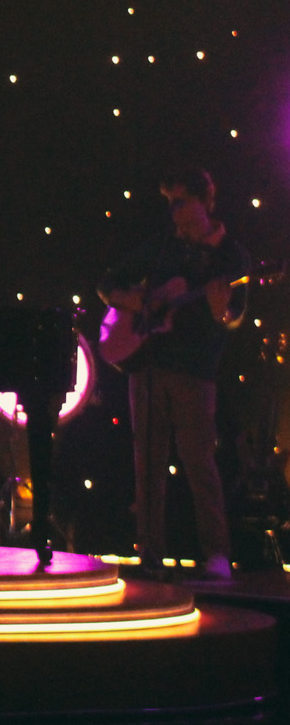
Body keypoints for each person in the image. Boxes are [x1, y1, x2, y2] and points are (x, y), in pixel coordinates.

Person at [96, 168, 251, 576]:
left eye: (180, 201)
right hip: (148, 364)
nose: (173, 210)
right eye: (170, 202)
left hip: (195, 369)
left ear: (204, 202)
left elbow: (235, 315)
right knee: (147, 462)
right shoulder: (163, 247)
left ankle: (217, 554)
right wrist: (132, 300)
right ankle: (150, 551)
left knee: (198, 461)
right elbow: (108, 282)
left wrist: (221, 309)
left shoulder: (230, 256)